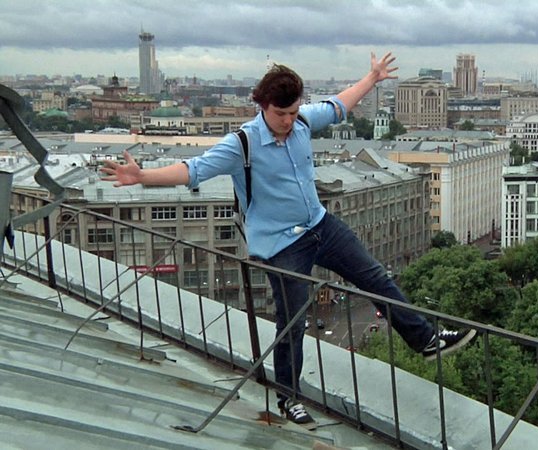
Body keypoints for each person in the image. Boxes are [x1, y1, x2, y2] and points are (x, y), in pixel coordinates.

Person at [100, 52, 476, 425]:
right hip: (281, 244)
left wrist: (372, 78)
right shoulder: (243, 143)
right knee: (292, 320)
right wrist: (143, 177)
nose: (288, 121)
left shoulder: (301, 124)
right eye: (281, 114)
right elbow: (194, 169)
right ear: (263, 106)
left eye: (294, 113)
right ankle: (288, 397)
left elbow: (338, 106)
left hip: (319, 225)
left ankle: (425, 340)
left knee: (375, 277)